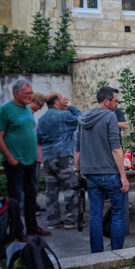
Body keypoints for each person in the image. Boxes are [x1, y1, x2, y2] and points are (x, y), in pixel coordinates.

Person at [0, 78, 51, 238]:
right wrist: (11, 158)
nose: (30, 96)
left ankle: (32, 228)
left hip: (31, 160)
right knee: (16, 198)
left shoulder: (27, 108)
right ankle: (17, 232)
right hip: (15, 162)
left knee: (31, 196)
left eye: (31, 93)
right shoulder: (5, 109)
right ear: (16, 93)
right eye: (27, 93)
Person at [75, 86, 129, 253]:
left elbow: (77, 150)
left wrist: (78, 172)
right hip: (111, 174)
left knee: (95, 217)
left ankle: (97, 255)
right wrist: (123, 176)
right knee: (119, 214)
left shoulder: (82, 118)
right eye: (115, 101)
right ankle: (117, 254)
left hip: (90, 175)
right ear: (106, 101)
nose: (117, 104)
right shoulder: (110, 116)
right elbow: (116, 149)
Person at [37, 93, 82, 230]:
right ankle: (71, 220)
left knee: (51, 191)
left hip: (48, 158)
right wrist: (71, 107)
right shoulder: (64, 115)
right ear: (56, 101)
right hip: (62, 156)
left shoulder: (42, 119)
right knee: (70, 188)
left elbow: (39, 139)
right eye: (60, 98)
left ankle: (53, 221)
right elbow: (82, 119)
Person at [29, 92, 46, 215]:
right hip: (32, 155)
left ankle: (33, 205)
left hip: (35, 154)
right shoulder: (27, 114)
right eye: (41, 106)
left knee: (33, 182)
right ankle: (29, 208)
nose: (40, 109)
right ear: (36, 102)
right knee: (31, 183)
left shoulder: (30, 114)